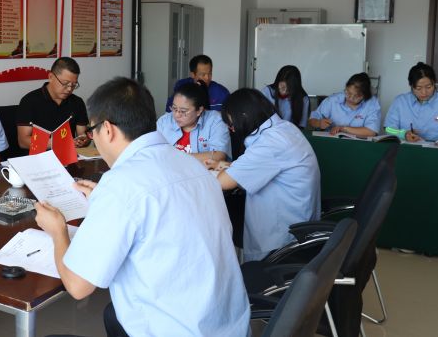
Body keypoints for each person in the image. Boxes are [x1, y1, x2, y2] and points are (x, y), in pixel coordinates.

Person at [35, 77, 250, 336]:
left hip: (177, 330)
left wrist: (57, 231)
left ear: (108, 130)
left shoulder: (121, 184)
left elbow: (78, 286)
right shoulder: (193, 165)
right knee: (113, 315)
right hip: (228, 325)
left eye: (92, 131)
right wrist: (106, 200)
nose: (94, 138)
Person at [210, 88, 320, 261]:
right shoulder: (283, 128)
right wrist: (231, 166)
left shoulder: (270, 142)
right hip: (298, 220)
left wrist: (215, 171)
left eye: (232, 124)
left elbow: (222, 182)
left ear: (244, 116)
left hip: (283, 239)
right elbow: (266, 165)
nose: (233, 130)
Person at [16, 57, 89, 150]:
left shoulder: (77, 102)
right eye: (65, 83)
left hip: (68, 154)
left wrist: (84, 140)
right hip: (38, 155)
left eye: (74, 84)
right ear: (50, 77)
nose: (69, 89)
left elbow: (82, 135)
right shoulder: (29, 101)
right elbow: (23, 141)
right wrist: (59, 143)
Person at [156, 81, 230, 163]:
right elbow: (155, 153)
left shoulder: (215, 121)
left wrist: (176, 157)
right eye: (174, 108)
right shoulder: (164, 122)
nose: (177, 115)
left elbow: (219, 155)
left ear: (199, 110)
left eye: (183, 111)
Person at [384, 62, 438, 145]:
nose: (424, 92)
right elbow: (388, 128)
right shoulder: (400, 102)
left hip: (437, 149)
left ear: (434, 83)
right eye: (418, 88)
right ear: (411, 86)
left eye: (428, 87)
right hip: (406, 148)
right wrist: (403, 134)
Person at [309, 72, 382, 137]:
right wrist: (318, 123)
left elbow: (371, 132)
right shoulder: (333, 100)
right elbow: (313, 118)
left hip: (360, 144)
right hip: (332, 141)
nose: (351, 98)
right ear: (346, 88)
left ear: (365, 96)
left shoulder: (372, 103)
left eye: (356, 96)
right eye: (348, 93)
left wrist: (343, 128)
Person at [165, 54, 230, 113]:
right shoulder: (181, 87)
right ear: (193, 74)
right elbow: (169, 113)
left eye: (210, 73)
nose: (207, 78)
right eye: (203, 74)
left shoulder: (222, 92)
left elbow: (228, 117)